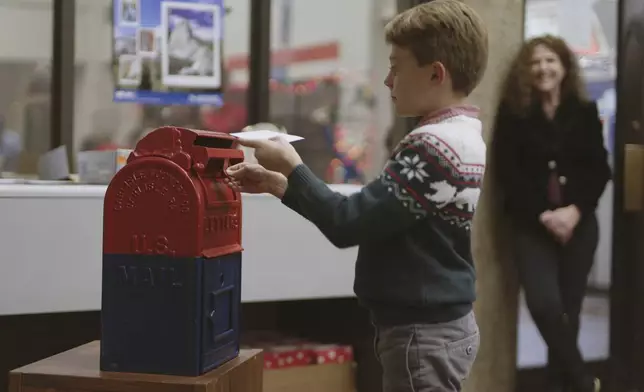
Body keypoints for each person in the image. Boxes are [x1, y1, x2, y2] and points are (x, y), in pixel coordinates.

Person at [226, 1, 488, 390]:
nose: (387, 80)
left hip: (423, 333)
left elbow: (348, 222)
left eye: (396, 66)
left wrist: (292, 166)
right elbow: (374, 213)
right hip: (432, 328)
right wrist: (277, 183)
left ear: (435, 74)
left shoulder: (434, 146)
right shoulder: (460, 135)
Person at [491, 35, 610, 392]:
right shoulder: (514, 114)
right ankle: (583, 380)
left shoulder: (584, 111)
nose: (543, 68)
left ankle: (559, 386)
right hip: (532, 225)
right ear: (526, 71)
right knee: (545, 306)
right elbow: (507, 174)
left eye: (551, 61)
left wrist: (574, 212)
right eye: (535, 62)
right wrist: (545, 215)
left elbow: (599, 170)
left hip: (580, 225)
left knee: (570, 314)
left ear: (564, 68)